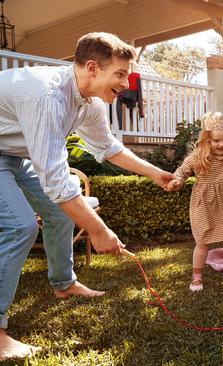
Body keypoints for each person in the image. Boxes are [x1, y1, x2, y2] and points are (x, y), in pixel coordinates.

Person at [0, 32, 175, 360]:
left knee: (60, 212)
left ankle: (64, 284)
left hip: (12, 150)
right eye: (120, 74)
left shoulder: (91, 103)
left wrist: (153, 172)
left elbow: (108, 148)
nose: (125, 84)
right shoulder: (48, 97)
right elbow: (56, 182)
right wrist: (97, 229)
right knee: (19, 226)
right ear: (92, 68)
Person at [166, 112, 223, 291]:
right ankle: (196, 278)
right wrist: (177, 180)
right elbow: (182, 170)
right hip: (205, 205)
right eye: (216, 141)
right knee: (202, 241)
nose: (221, 144)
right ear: (206, 140)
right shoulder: (197, 156)